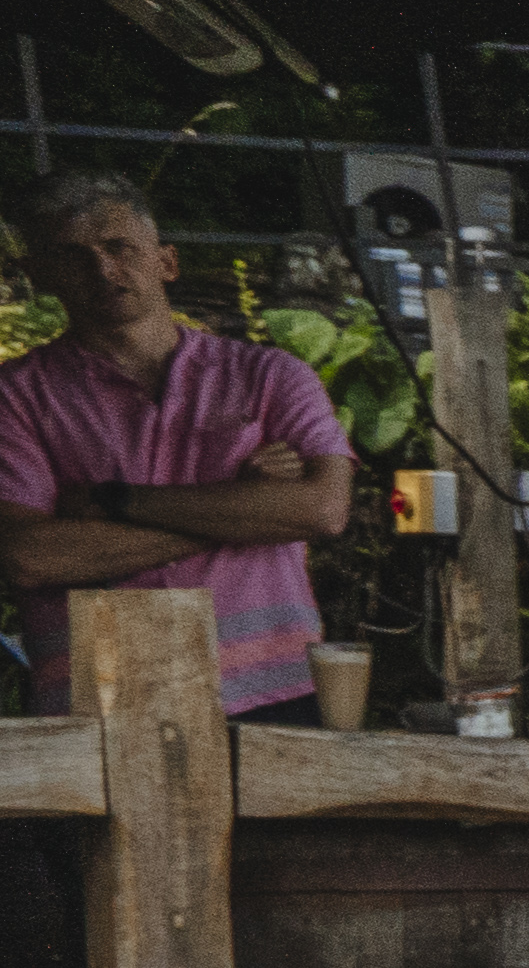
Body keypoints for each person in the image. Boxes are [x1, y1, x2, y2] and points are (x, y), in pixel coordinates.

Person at [0, 172, 352, 717]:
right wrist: (240, 508)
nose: (103, 270)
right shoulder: (15, 396)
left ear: (166, 261)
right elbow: (30, 558)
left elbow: (322, 509)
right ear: (37, 275)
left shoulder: (273, 376)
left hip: (270, 692)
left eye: (120, 248)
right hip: (102, 701)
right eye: (72, 256)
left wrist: (113, 502)